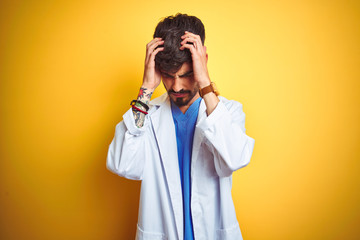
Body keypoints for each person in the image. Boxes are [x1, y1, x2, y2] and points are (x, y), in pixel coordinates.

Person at [106, 13, 255, 240]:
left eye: (186, 75)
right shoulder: (148, 114)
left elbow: (235, 158)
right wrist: (146, 88)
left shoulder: (227, 112)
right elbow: (123, 165)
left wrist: (205, 84)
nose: (176, 86)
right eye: (168, 75)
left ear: (202, 62)